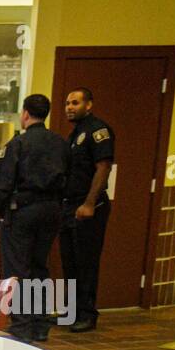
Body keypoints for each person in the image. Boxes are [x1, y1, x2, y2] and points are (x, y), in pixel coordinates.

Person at [0, 93, 68, 344]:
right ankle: (40, 324)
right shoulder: (60, 143)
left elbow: (4, 183)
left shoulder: (19, 144)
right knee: (40, 266)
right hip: (51, 210)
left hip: (23, 211)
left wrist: (1, 211)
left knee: (18, 269)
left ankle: (22, 325)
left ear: (25, 114)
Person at [60, 87, 115, 333]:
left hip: (89, 207)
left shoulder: (97, 131)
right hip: (70, 207)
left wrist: (90, 203)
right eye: (68, 103)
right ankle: (72, 311)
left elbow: (103, 168)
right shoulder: (75, 134)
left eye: (75, 103)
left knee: (86, 263)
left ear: (89, 105)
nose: (70, 107)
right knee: (70, 263)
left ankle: (87, 314)